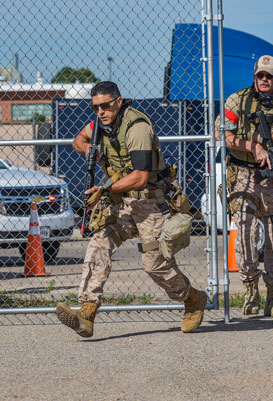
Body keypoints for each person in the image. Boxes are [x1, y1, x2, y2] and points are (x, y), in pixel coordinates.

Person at [55, 81, 207, 337]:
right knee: (99, 244)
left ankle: (192, 298)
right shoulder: (101, 125)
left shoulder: (136, 127)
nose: (100, 111)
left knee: (155, 265)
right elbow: (78, 140)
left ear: (118, 101)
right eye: (95, 107)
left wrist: (104, 190)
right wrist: (92, 151)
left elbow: (139, 177)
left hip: (150, 203)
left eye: (105, 105)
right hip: (122, 202)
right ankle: (87, 312)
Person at [216, 55, 273, 317]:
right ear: (255, 76)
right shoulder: (238, 100)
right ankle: (250, 292)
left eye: (269, 76)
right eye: (261, 75)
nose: (265, 80)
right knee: (246, 233)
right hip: (244, 175)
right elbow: (222, 133)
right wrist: (252, 146)